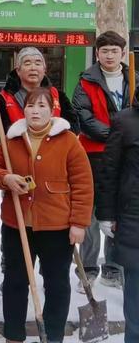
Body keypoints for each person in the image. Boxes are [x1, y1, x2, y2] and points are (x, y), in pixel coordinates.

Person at [0, 87, 93, 343]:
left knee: (57, 285)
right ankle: (13, 335)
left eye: (42, 106)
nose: (35, 111)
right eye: (30, 106)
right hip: (17, 225)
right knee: (15, 283)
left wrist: (79, 223)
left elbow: (83, 184)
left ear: (52, 110)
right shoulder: (11, 139)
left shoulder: (68, 140)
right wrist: (6, 178)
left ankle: (53, 335)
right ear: (23, 109)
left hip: (56, 226)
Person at [72, 30, 138, 289]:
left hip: (126, 156)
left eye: (114, 50)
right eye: (104, 50)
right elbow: (83, 117)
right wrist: (117, 136)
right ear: (97, 54)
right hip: (93, 154)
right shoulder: (86, 82)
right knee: (89, 212)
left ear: (122, 53)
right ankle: (88, 268)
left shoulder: (133, 80)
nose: (109, 55)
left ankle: (114, 266)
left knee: (118, 210)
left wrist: (124, 140)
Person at [95, 87, 139, 342]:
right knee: (136, 298)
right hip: (134, 218)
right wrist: (106, 213)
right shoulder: (125, 121)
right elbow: (109, 171)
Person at [0, 47, 79, 140]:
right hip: (17, 151)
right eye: (27, 63)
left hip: (53, 150)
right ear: (18, 71)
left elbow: (73, 127)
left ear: (44, 69)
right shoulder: (3, 98)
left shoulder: (58, 95)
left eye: (38, 63)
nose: (33, 68)